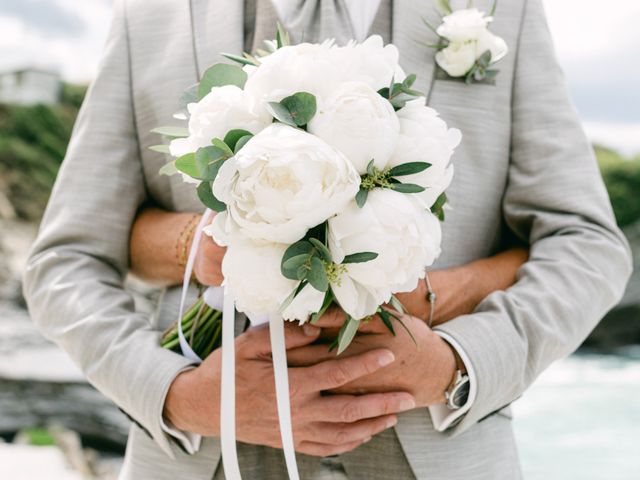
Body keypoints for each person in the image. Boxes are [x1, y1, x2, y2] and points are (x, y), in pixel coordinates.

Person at [22, 0, 632, 479]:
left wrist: (457, 363)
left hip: (445, 458)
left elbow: (587, 245)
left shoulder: (507, 8)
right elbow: (65, 261)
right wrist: (178, 396)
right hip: (199, 464)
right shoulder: (146, 13)